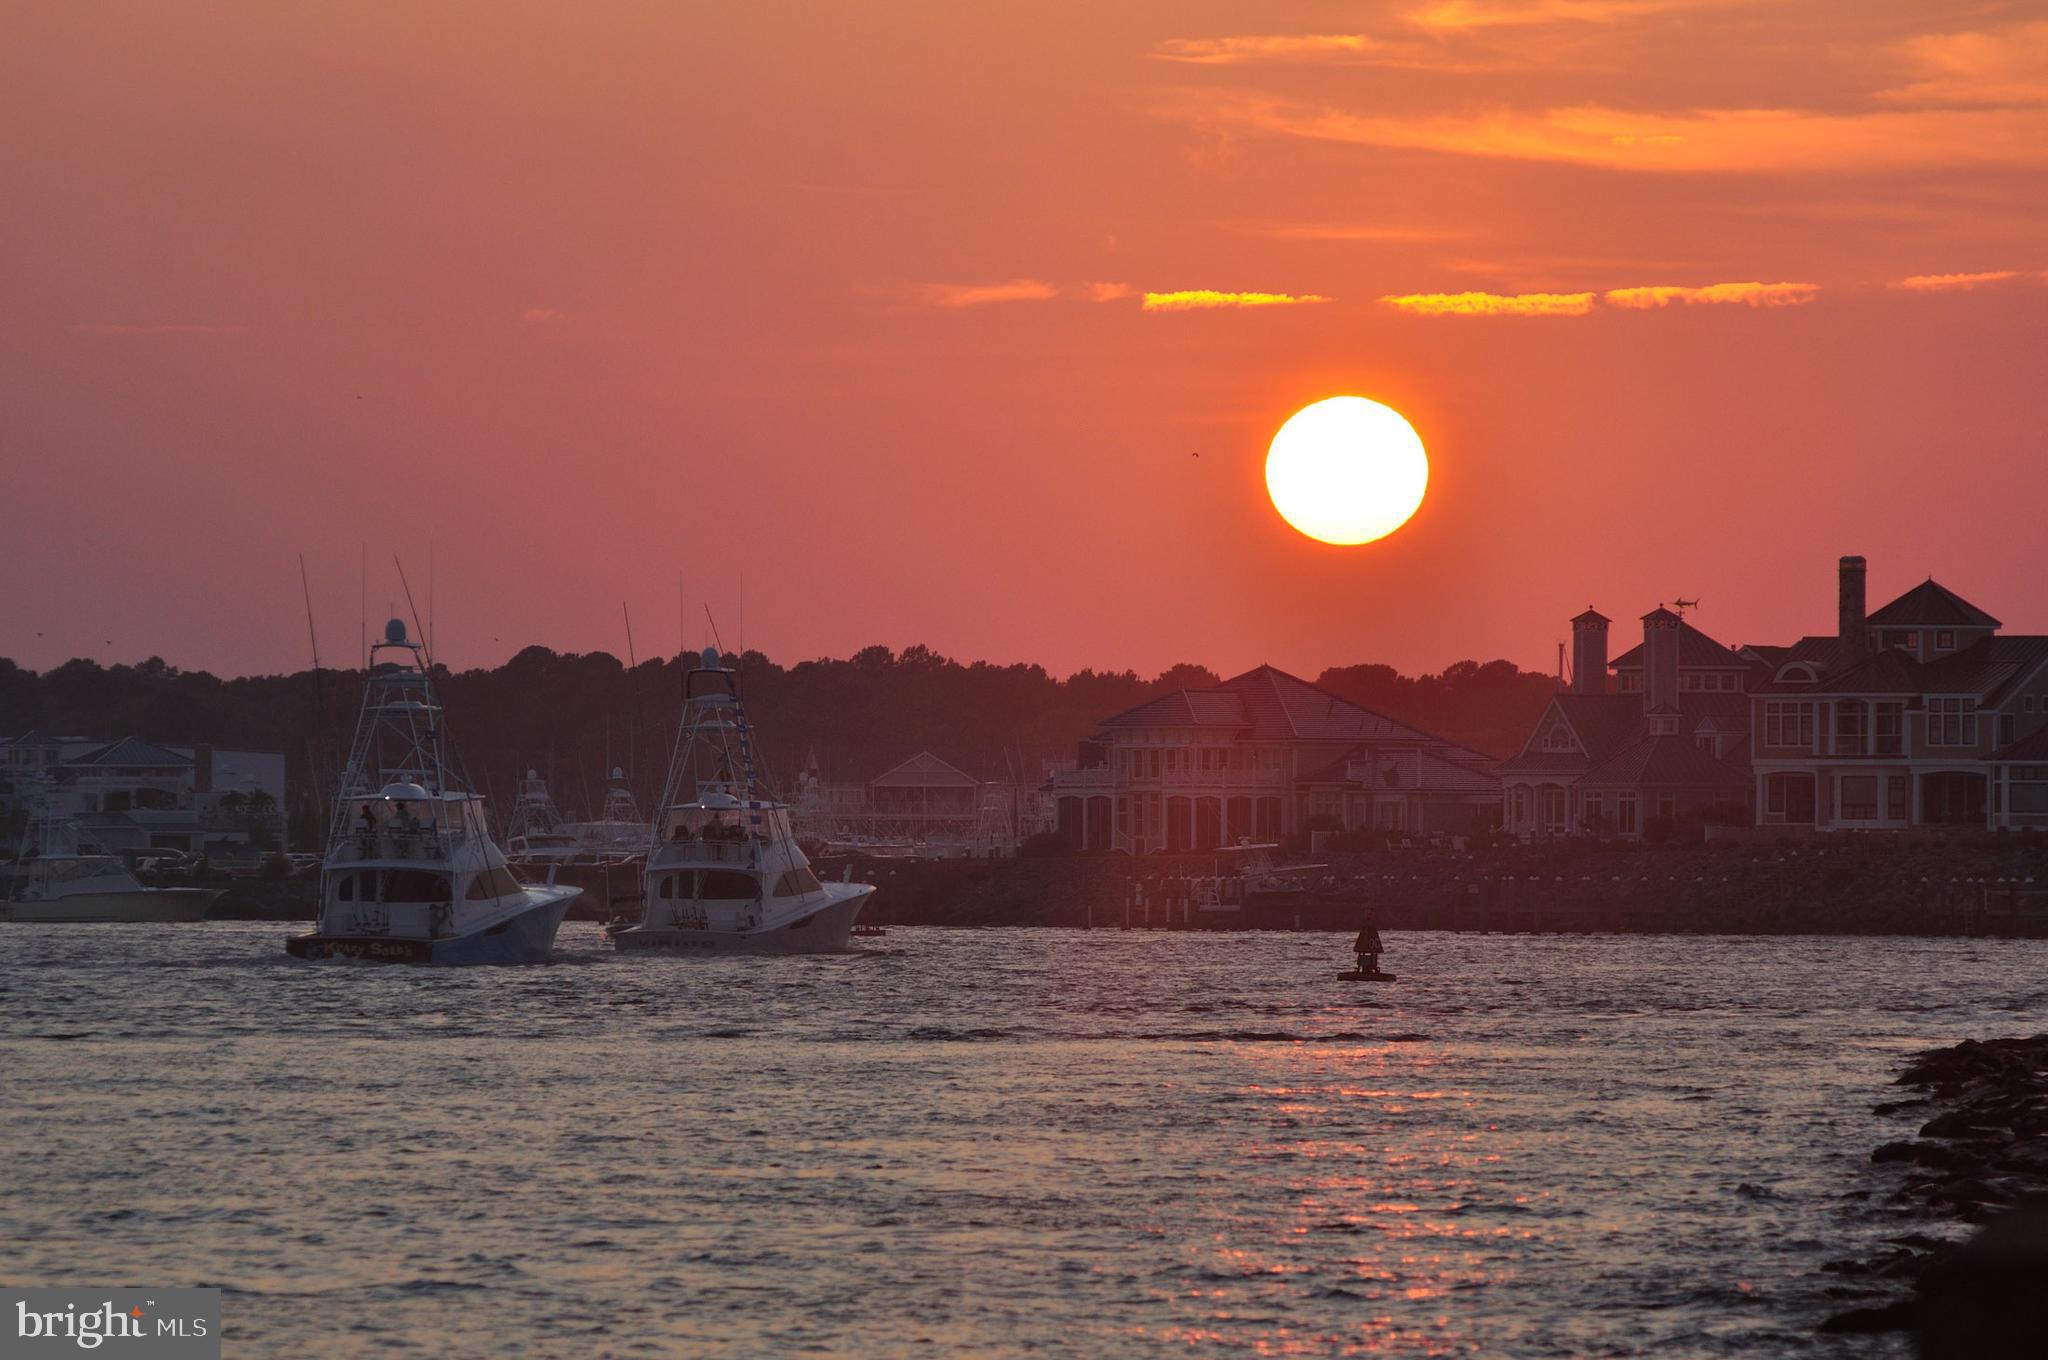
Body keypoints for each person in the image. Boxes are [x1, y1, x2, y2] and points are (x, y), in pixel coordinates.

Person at [1353, 908, 1384, 976]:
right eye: (1368, 914)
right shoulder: (1365, 929)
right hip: (1367, 941)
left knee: (1368, 951)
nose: (1369, 916)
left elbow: (1374, 946)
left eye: (1370, 914)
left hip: (1370, 941)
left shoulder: (1371, 929)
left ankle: (1369, 964)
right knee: (1364, 951)